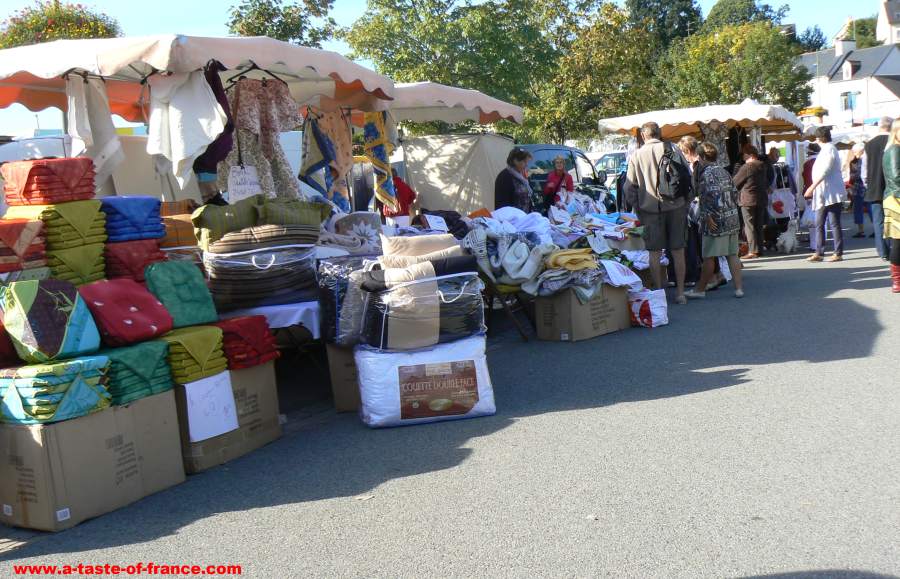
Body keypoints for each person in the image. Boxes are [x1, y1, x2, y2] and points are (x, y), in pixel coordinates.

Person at [624, 122, 690, 304]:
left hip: (650, 210)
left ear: (644, 136)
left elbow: (629, 188)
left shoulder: (636, 156)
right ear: (659, 134)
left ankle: (660, 293)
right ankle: (681, 293)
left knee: (654, 252)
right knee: (678, 251)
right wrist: (686, 202)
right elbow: (687, 176)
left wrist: (639, 209)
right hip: (676, 206)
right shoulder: (672, 149)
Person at [684, 142, 744, 300]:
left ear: (702, 157)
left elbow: (705, 199)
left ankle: (700, 289)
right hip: (731, 218)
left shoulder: (706, 174)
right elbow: (734, 194)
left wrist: (707, 217)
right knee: (733, 255)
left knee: (709, 256)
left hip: (716, 220)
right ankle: (738, 288)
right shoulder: (724, 171)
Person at [805, 126, 846, 262]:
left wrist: (812, 187)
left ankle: (837, 252)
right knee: (820, 223)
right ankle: (819, 252)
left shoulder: (829, 149)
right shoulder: (826, 150)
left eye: (816, 138)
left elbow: (825, 171)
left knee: (833, 223)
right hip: (824, 192)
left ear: (819, 138)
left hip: (831, 192)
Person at [863, 116, 893, 260]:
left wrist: (867, 184)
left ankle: (883, 251)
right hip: (893, 187)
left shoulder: (869, 145)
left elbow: (864, 170)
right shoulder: (895, 142)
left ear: (880, 126)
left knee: (878, 221)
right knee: (894, 219)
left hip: (874, 188)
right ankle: (894, 249)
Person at [732, 145, 768, 259]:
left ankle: (752, 250)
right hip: (761, 198)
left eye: (744, 154)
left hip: (748, 199)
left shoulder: (747, 167)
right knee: (758, 225)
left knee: (749, 226)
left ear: (750, 154)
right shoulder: (763, 166)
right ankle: (760, 249)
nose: (743, 157)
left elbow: (735, 183)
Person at [678, 135, 702, 286]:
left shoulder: (698, 164)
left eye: (682, 151)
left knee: (698, 241)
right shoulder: (694, 163)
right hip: (694, 207)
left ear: (687, 150)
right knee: (696, 241)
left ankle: (705, 274)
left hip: (698, 206)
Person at [882, 118, 900, 292]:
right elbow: (896, 177)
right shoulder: (895, 150)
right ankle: (897, 280)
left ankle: (897, 280)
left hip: (894, 197)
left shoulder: (893, 149)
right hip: (896, 199)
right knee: (898, 241)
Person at [494, 147, 533, 212]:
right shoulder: (505, 176)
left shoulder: (522, 175)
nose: (526, 165)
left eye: (527, 162)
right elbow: (503, 205)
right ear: (515, 161)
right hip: (512, 219)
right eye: (524, 162)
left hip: (524, 217)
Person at [843, 143, 868, 238]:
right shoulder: (856, 161)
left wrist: (852, 178)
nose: (853, 152)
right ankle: (863, 230)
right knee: (865, 209)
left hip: (859, 188)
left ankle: (861, 231)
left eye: (855, 151)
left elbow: (854, 175)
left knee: (860, 209)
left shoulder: (856, 162)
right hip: (861, 188)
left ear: (860, 151)